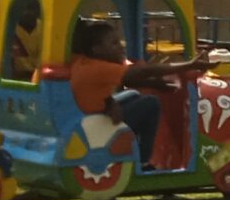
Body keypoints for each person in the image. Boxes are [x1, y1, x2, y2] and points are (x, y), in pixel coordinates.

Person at [68, 20, 213, 165]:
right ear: (96, 49)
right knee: (151, 104)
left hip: (91, 114)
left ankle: (132, 146)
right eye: (114, 44)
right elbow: (143, 71)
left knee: (133, 95)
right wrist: (189, 65)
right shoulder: (100, 68)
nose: (121, 47)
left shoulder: (83, 61)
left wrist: (153, 84)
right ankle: (143, 160)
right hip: (96, 123)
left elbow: (128, 80)